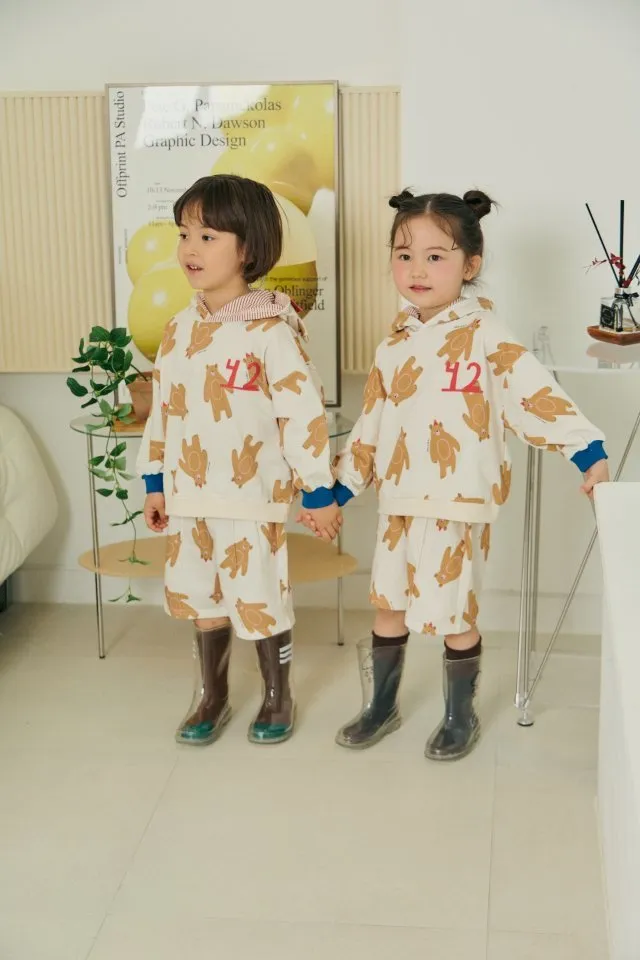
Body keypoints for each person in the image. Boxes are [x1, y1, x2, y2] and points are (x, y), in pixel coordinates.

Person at [300, 188, 609, 761]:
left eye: (435, 256)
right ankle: (382, 707)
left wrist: (588, 452)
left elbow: (534, 394)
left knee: (453, 613)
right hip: (398, 499)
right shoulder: (392, 346)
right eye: (404, 255)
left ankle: (458, 715)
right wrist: (338, 490)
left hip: (458, 501)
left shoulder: (487, 336)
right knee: (388, 604)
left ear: (470, 265)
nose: (417, 270)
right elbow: (370, 426)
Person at [137, 174, 341, 747]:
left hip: (251, 498)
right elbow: (163, 413)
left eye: (208, 237)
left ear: (248, 249)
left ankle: (278, 696)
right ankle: (213, 695)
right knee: (202, 598)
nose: (190, 249)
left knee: (260, 598)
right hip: (187, 496)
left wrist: (317, 489)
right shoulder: (178, 330)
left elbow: (302, 414)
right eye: (184, 234)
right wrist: (154, 480)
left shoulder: (272, 333)